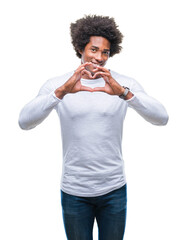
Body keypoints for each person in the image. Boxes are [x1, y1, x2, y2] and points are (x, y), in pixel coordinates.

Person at [18, 15, 169, 240]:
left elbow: (162, 117)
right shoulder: (58, 85)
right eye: (94, 50)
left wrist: (124, 93)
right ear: (81, 48)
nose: (99, 58)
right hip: (74, 190)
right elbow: (24, 122)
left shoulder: (122, 84)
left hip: (114, 188)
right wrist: (60, 92)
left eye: (105, 52)